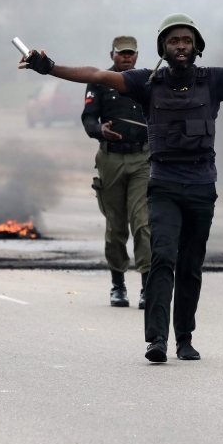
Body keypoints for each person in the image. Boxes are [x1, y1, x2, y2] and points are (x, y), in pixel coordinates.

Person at [20, 13, 223, 362]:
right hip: (164, 185)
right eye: (174, 41)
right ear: (163, 48)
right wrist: (48, 67)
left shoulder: (214, 80)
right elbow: (96, 75)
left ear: (197, 47)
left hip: (202, 185)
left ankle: (185, 338)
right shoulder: (145, 83)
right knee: (162, 258)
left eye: (187, 40)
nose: (181, 45)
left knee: (190, 266)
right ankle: (156, 339)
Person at [81, 36, 152, 309]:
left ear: (136, 56)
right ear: (112, 54)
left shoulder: (147, 81)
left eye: (130, 54)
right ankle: (118, 284)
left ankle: (147, 286)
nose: (126, 58)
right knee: (116, 226)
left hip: (142, 160)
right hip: (110, 159)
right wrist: (101, 131)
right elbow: (88, 118)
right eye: (121, 53)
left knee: (143, 223)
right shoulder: (99, 81)